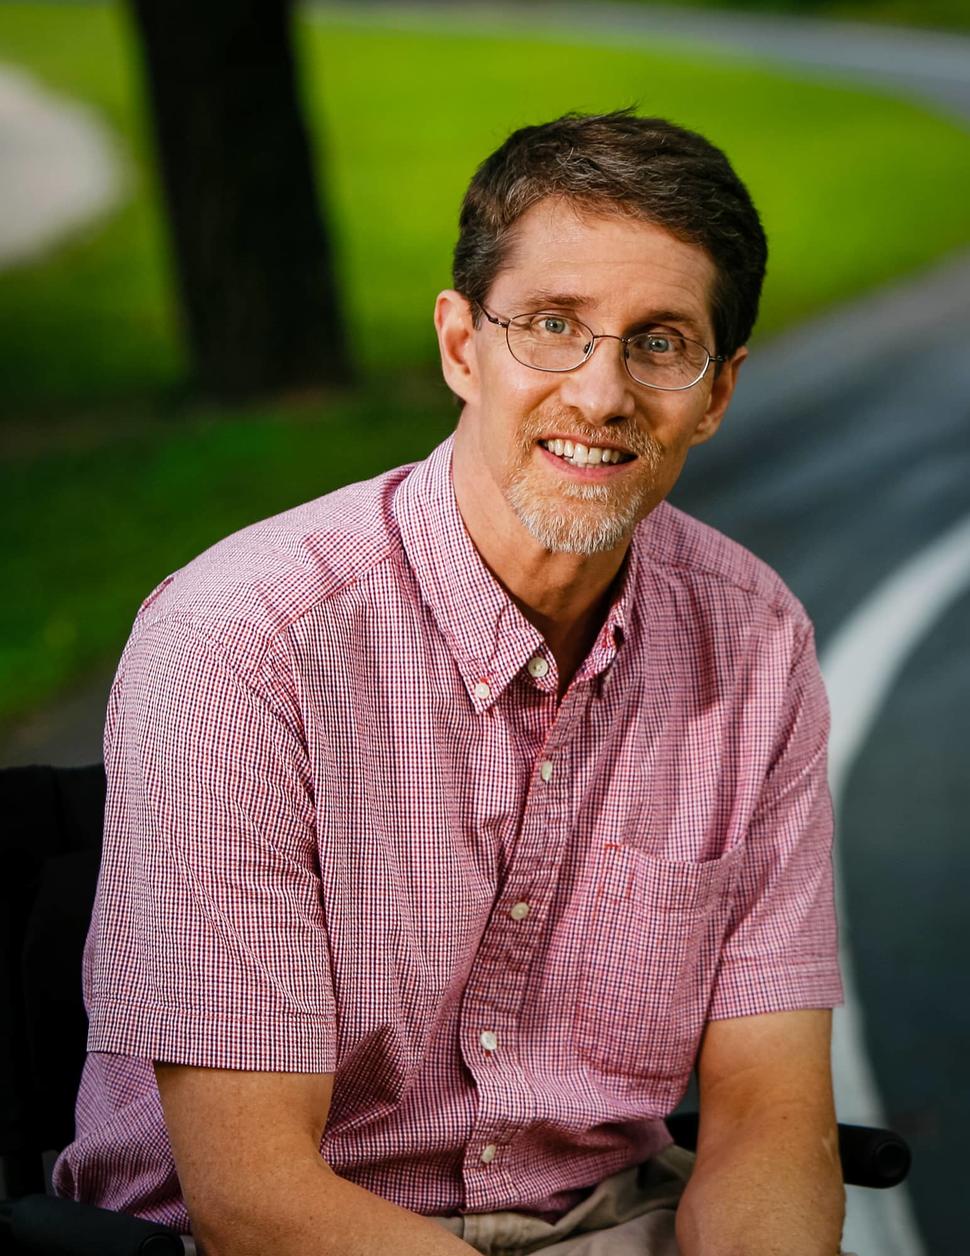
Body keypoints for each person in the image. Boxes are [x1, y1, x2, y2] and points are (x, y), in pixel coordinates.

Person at [54, 111, 848, 1255]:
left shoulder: (756, 641)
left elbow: (767, 1114)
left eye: (660, 342)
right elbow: (251, 1195)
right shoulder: (241, 644)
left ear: (716, 392)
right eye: (553, 325)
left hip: (606, 1218)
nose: (600, 392)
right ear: (462, 345)